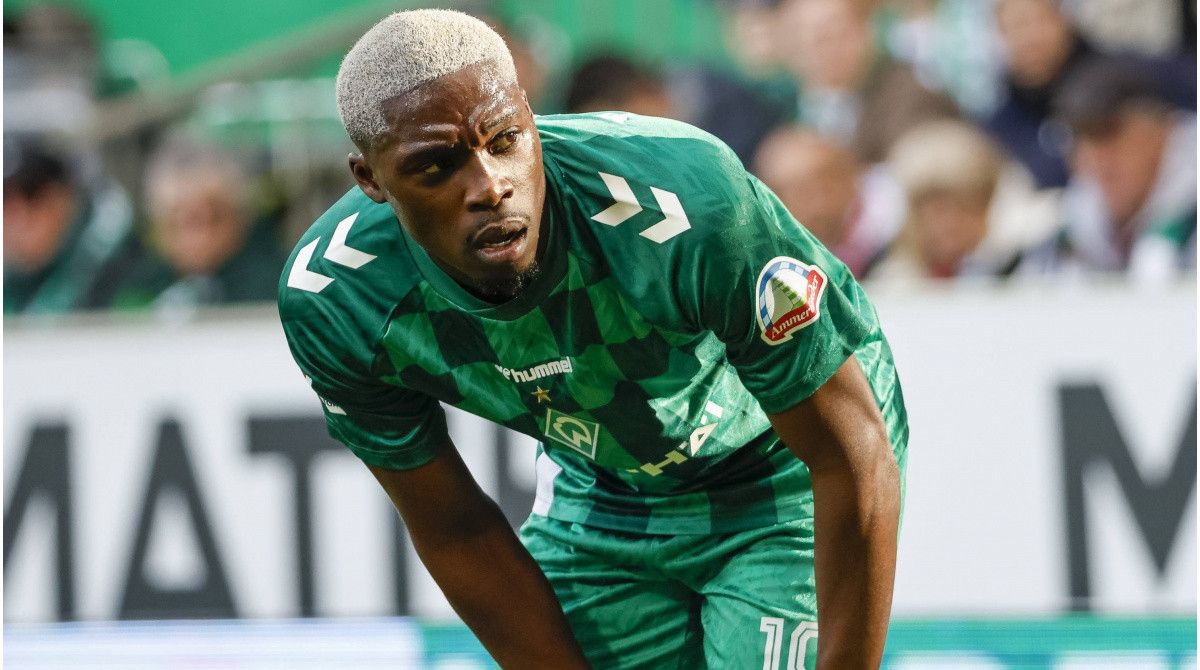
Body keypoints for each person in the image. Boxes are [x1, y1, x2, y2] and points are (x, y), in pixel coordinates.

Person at [278, 10, 906, 669]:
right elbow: (455, 529)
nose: (491, 186)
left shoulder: (685, 199)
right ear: (370, 180)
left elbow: (851, 454)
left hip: (781, 465)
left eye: (505, 139)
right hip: (609, 490)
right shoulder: (337, 298)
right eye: (435, 168)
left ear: (530, 113)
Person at [1020, 58, 1196, 281]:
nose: (1098, 161)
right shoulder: (1070, 229)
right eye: (1083, 141)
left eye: (1110, 136)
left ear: (1162, 132)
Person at [871, 119, 1060, 281]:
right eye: (935, 210)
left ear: (987, 204)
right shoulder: (893, 284)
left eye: (961, 206)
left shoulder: (1028, 271)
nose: (947, 224)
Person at [752, 125, 904, 279]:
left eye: (828, 182)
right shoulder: (781, 259)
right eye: (805, 193)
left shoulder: (895, 214)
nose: (821, 202)